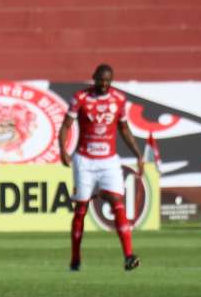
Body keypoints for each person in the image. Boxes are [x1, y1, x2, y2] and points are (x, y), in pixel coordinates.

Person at [58, 63, 144, 271]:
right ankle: (75, 258)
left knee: (117, 201)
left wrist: (138, 153)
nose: (104, 84)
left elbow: (124, 128)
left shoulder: (119, 99)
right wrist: (63, 150)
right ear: (94, 78)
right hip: (84, 161)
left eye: (107, 81)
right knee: (81, 209)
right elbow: (66, 126)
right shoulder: (80, 98)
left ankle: (129, 256)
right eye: (100, 80)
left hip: (108, 161)